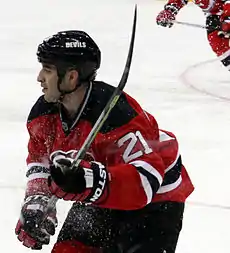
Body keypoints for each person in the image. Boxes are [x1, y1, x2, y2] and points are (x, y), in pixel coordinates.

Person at [15, 30, 194, 253]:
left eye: (48, 70)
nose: (39, 77)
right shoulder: (43, 114)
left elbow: (146, 181)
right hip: (99, 194)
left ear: (71, 77)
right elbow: (40, 159)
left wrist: (88, 180)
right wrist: (37, 200)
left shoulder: (117, 114)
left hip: (156, 200)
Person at [156, 0, 230, 70]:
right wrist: (169, 10)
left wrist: (228, 18)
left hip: (226, 10)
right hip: (215, 13)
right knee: (217, 42)